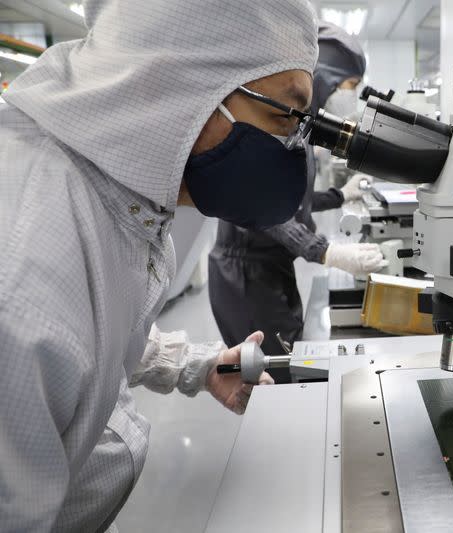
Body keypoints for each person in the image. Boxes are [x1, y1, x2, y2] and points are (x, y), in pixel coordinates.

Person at [0, 0, 319, 530]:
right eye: (284, 114)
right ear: (180, 81)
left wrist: (198, 366)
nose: (290, 143)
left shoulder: (108, 198)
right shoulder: (23, 277)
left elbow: (92, 333)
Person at [208, 22, 385, 366]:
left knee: (289, 364)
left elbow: (292, 202)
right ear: (325, 78)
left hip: (273, 268)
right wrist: (326, 252)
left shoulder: (299, 129)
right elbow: (263, 210)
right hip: (247, 277)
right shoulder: (267, 125)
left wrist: (340, 195)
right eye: (350, 85)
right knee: (275, 381)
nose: (350, 94)